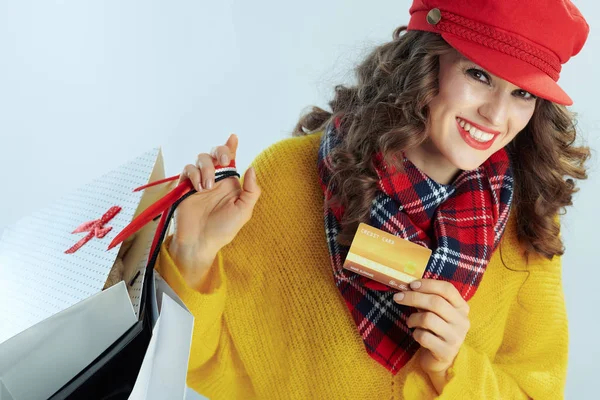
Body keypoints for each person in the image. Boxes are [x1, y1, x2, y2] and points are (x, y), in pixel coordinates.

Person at [155, 0, 591, 398]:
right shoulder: (286, 179)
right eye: (478, 74)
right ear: (425, 62)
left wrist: (453, 366)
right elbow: (210, 367)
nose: (496, 116)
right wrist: (193, 254)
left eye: (523, 93)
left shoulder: (527, 223)